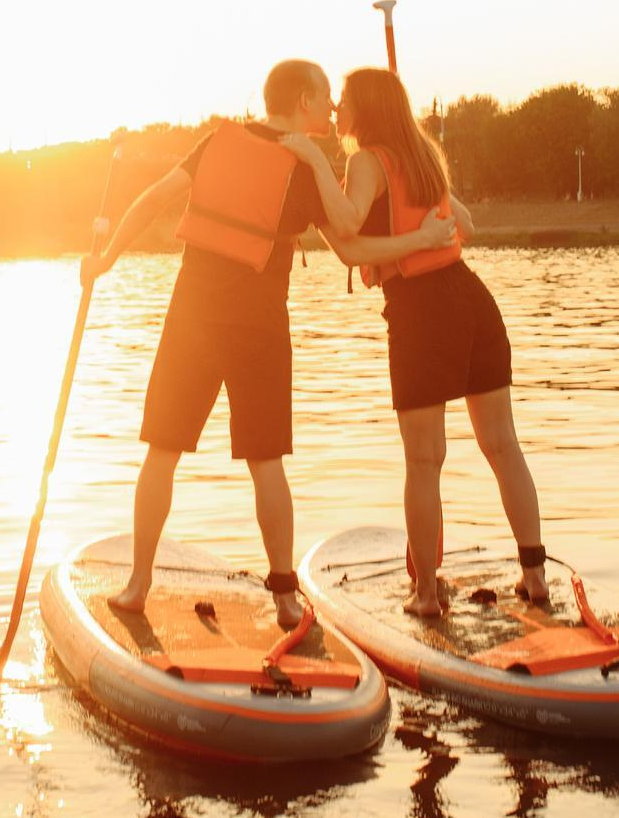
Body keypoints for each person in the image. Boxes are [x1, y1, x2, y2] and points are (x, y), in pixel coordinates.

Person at [80, 58, 454, 628]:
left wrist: (104, 260)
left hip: (193, 319)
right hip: (258, 327)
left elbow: (154, 197)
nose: (332, 106)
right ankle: (283, 598)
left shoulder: (217, 143)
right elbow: (350, 244)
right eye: (325, 95)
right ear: (303, 99)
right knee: (266, 461)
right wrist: (418, 239)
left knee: (162, 450)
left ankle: (138, 584)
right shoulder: (306, 170)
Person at [280, 66, 548, 621]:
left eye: (345, 102)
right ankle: (534, 576)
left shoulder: (365, 160)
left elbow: (350, 223)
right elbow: (465, 224)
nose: (336, 112)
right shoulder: (425, 157)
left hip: (422, 312)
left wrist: (311, 160)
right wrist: (425, 229)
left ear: (368, 110)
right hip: (473, 301)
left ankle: (426, 594)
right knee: (502, 446)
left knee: (424, 461)